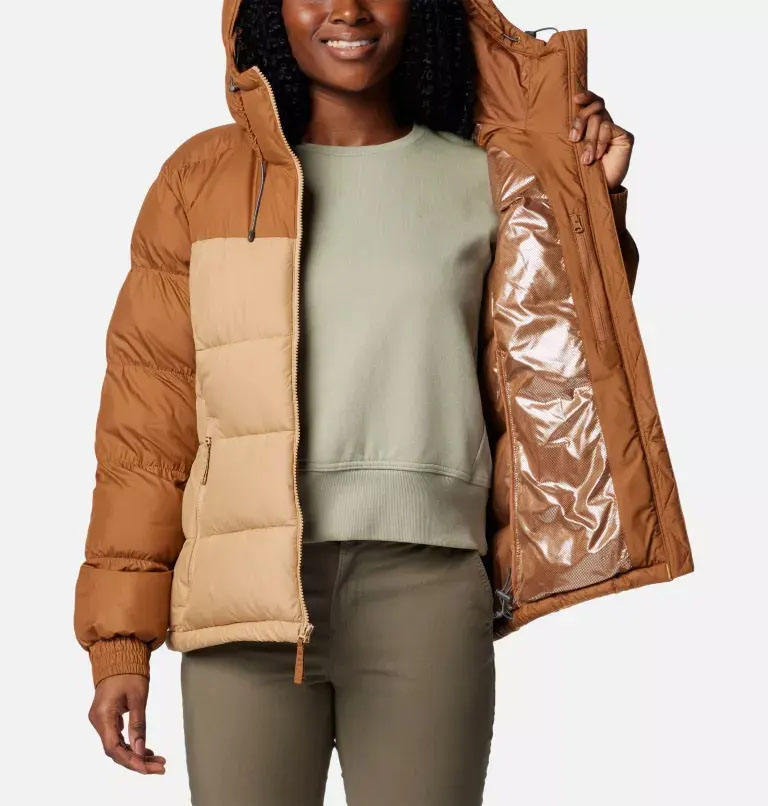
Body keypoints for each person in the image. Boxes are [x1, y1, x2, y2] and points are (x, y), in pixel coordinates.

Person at [74, 1, 694, 804]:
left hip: (427, 593)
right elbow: (145, 426)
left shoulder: (485, 178)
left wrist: (589, 208)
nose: (348, 10)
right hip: (241, 602)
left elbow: (559, 370)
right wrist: (119, 643)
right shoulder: (203, 180)